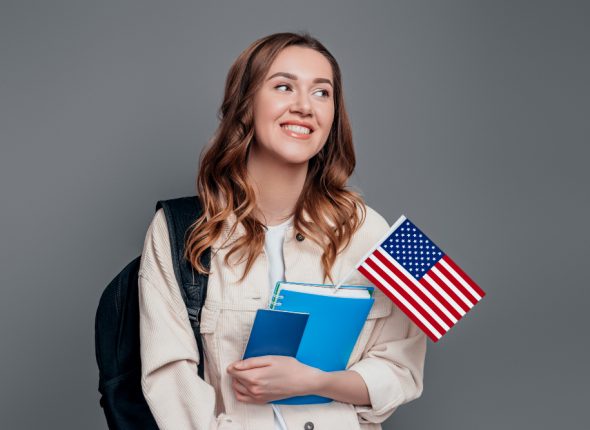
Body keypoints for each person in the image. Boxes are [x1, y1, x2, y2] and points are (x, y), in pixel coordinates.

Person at [137, 32, 427, 430]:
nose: (305, 106)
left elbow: (402, 368)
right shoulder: (179, 229)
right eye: (284, 86)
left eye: (322, 93)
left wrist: (317, 381)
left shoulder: (370, 228)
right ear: (245, 105)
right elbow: (169, 381)